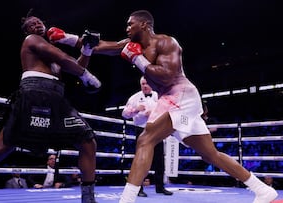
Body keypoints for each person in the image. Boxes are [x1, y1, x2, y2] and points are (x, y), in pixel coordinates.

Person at [82, 9, 278, 203]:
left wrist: (137, 59)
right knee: (211, 155)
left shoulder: (166, 42)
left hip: (182, 96)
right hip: (173, 101)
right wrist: (67, 39)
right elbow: (103, 45)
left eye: (130, 23)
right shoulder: (131, 45)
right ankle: (262, 189)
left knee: (146, 139)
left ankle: (126, 200)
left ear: (144, 24)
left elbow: (166, 76)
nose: (126, 28)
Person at [0, 9, 100, 203]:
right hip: (34, 94)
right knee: (1, 148)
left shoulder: (53, 50)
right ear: (27, 31)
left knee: (88, 141)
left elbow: (73, 66)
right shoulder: (32, 41)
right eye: (30, 24)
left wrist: (87, 50)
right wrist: (87, 76)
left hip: (57, 100)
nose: (35, 25)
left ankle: (88, 199)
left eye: (38, 22)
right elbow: (66, 61)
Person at [122, 76, 173, 197]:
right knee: (141, 159)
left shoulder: (159, 95)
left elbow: (169, 110)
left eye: (147, 83)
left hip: (157, 130)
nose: (145, 86)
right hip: (142, 130)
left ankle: (160, 187)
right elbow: (124, 114)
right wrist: (135, 110)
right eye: (143, 84)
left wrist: (155, 112)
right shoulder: (134, 97)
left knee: (159, 160)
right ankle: (138, 189)